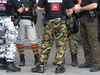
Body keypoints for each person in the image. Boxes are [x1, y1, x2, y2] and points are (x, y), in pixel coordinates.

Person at [31, 0, 74, 74]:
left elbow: (38, 8)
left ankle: (40, 66)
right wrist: (64, 12)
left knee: (46, 44)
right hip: (61, 22)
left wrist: (48, 8)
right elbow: (71, 10)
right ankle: (59, 67)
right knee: (61, 45)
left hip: (49, 22)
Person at [75, 0, 100, 72]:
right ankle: (88, 61)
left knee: (93, 41)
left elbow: (94, 5)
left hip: (91, 18)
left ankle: (97, 64)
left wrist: (81, 9)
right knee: (85, 41)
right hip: (83, 17)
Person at [0, 0, 24, 72]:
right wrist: (22, 7)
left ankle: (2, 62)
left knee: (1, 42)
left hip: (0, 21)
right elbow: (20, 10)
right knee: (11, 42)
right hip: (9, 21)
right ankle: (10, 64)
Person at [16, 0, 39, 67]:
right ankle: (21, 58)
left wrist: (36, 2)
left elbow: (36, 7)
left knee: (34, 39)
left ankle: (36, 58)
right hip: (20, 20)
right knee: (20, 40)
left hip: (30, 20)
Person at [66, 0, 82, 66]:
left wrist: (72, 8)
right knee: (60, 37)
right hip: (59, 15)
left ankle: (74, 56)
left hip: (71, 17)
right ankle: (60, 57)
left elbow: (80, 1)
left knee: (72, 36)